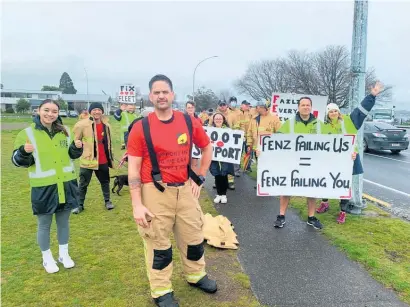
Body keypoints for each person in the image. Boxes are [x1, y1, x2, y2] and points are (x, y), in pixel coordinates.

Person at [127, 74, 217, 307]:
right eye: (156, 92)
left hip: (185, 189)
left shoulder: (187, 121)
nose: (161, 96)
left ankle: (196, 275)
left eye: (165, 92)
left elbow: (207, 148)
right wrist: (137, 204)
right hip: (154, 190)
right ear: (150, 97)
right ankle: (161, 291)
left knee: (194, 237)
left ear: (172, 94)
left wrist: (200, 178)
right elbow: (134, 169)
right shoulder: (140, 127)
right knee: (158, 244)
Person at [11, 99, 83, 273]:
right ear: (38, 110)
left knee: (63, 223)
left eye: (54, 111)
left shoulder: (65, 132)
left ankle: (63, 254)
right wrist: (22, 152)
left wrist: (76, 147)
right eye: (46, 110)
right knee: (44, 224)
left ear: (58, 113)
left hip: (66, 185)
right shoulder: (27, 133)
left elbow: (71, 156)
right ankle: (46, 257)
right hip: (43, 188)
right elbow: (17, 161)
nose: (50, 114)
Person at [317, 81, 384, 224]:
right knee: (326, 182)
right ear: (327, 114)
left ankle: (343, 211)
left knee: (343, 185)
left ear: (338, 112)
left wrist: (372, 95)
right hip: (330, 160)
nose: (333, 113)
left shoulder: (349, 121)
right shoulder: (323, 127)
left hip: (348, 159)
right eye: (330, 111)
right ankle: (325, 202)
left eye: (335, 110)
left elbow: (362, 110)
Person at [274, 97, 324, 229]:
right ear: (298, 107)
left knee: (312, 190)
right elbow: (276, 140)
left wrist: (349, 153)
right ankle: (281, 216)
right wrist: (263, 151)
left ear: (311, 107)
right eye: (303, 105)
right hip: (292, 162)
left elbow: (333, 143)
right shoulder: (289, 124)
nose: (306, 107)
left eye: (308, 105)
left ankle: (311, 217)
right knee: (286, 188)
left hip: (312, 163)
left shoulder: (319, 125)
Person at [72, 102, 115, 214]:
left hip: (103, 160)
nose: (97, 112)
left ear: (102, 111)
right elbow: (75, 140)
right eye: (94, 110)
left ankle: (108, 201)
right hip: (88, 161)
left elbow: (108, 143)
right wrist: (76, 143)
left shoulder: (107, 125)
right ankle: (79, 205)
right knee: (83, 184)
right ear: (90, 111)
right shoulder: (81, 124)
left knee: (105, 182)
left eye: (99, 110)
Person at [246, 99, 281, 173]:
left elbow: (279, 133)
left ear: (264, 107)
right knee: (260, 166)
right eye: (257, 107)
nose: (257, 109)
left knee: (269, 167)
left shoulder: (274, 118)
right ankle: (260, 183)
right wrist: (249, 144)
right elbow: (249, 133)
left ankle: (267, 183)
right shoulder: (254, 119)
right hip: (257, 149)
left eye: (259, 107)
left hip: (269, 148)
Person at [209, 113, 235, 204]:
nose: (218, 120)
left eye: (220, 118)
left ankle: (223, 195)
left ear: (223, 119)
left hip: (225, 157)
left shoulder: (228, 130)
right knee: (217, 175)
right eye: (216, 118)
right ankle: (219, 194)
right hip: (214, 157)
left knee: (224, 175)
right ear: (213, 120)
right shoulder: (210, 130)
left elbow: (234, 142)